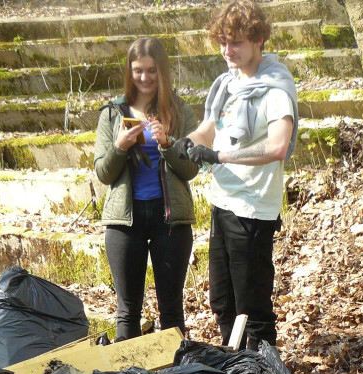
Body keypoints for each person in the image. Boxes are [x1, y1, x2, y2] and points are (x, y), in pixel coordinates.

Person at [181, 0, 299, 351]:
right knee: (223, 303)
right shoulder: (227, 84)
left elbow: (278, 146)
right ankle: (236, 372)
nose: (227, 51)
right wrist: (189, 141)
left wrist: (219, 156)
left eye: (236, 43)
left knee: (253, 310)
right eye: (223, 42)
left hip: (252, 211)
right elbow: (208, 128)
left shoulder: (275, 89)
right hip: (222, 203)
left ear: (258, 39)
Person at [94, 37, 200, 341]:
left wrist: (167, 144)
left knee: (172, 309)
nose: (144, 77)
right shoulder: (112, 113)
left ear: (162, 71)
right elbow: (103, 173)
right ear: (129, 71)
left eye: (152, 70)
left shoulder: (180, 111)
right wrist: (119, 147)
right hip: (125, 222)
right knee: (128, 311)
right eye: (138, 70)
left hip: (170, 220)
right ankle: (128, 371)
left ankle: (176, 370)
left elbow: (191, 169)